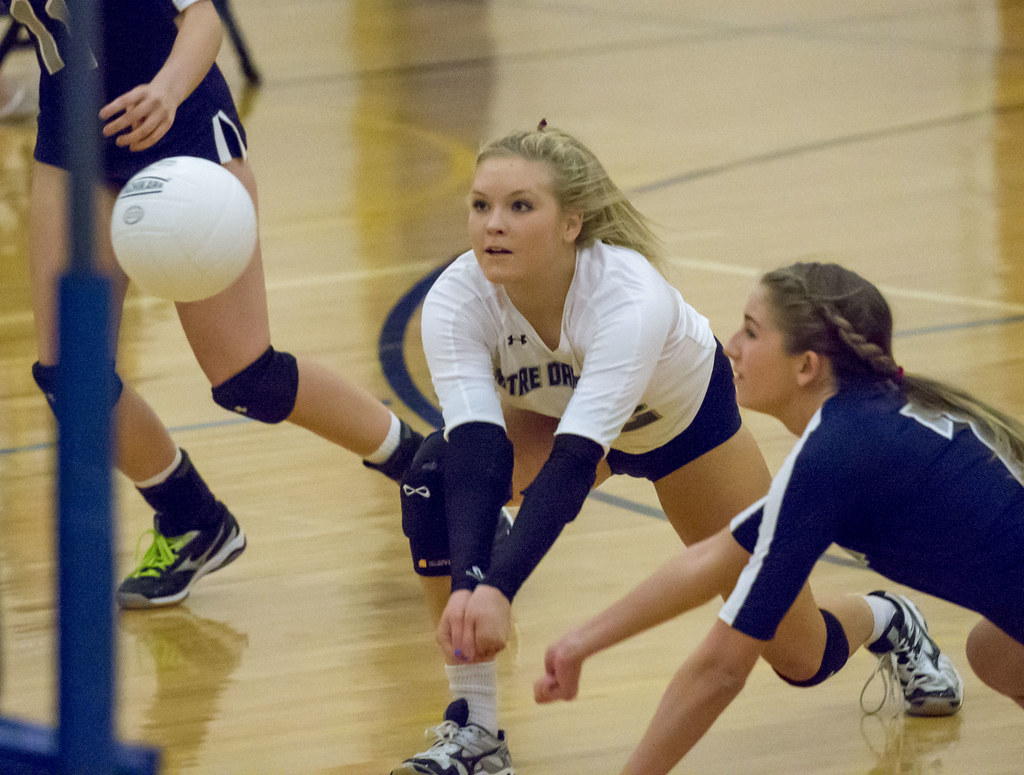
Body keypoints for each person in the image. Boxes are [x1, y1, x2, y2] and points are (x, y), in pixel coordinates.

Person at [389, 127, 961, 775]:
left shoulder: (626, 295)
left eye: (521, 206)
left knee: (799, 654)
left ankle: (888, 617)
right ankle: (476, 727)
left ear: (573, 221)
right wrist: (472, 582)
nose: (493, 225)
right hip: (555, 422)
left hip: (683, 431)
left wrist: (500, 584)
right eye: (480, 205)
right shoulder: (456, 298)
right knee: (432, 474)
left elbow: (575, 464)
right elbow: (476, 452)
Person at [535, 261, 1024, 774]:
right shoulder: (864, 425)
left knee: (998, 651)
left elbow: (721, 670)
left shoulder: (837, 453)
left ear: (806, 366)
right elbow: (716, 558)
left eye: (751, 331)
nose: (730, 346)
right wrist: (578, 645)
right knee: (996, 652)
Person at [12, 0, 422, 608]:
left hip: (178, 126)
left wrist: (165, 93)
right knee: (71, 377)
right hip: (72, 137)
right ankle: (192, 521)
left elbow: (203, 18)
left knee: (246, 375)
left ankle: (429, 473)